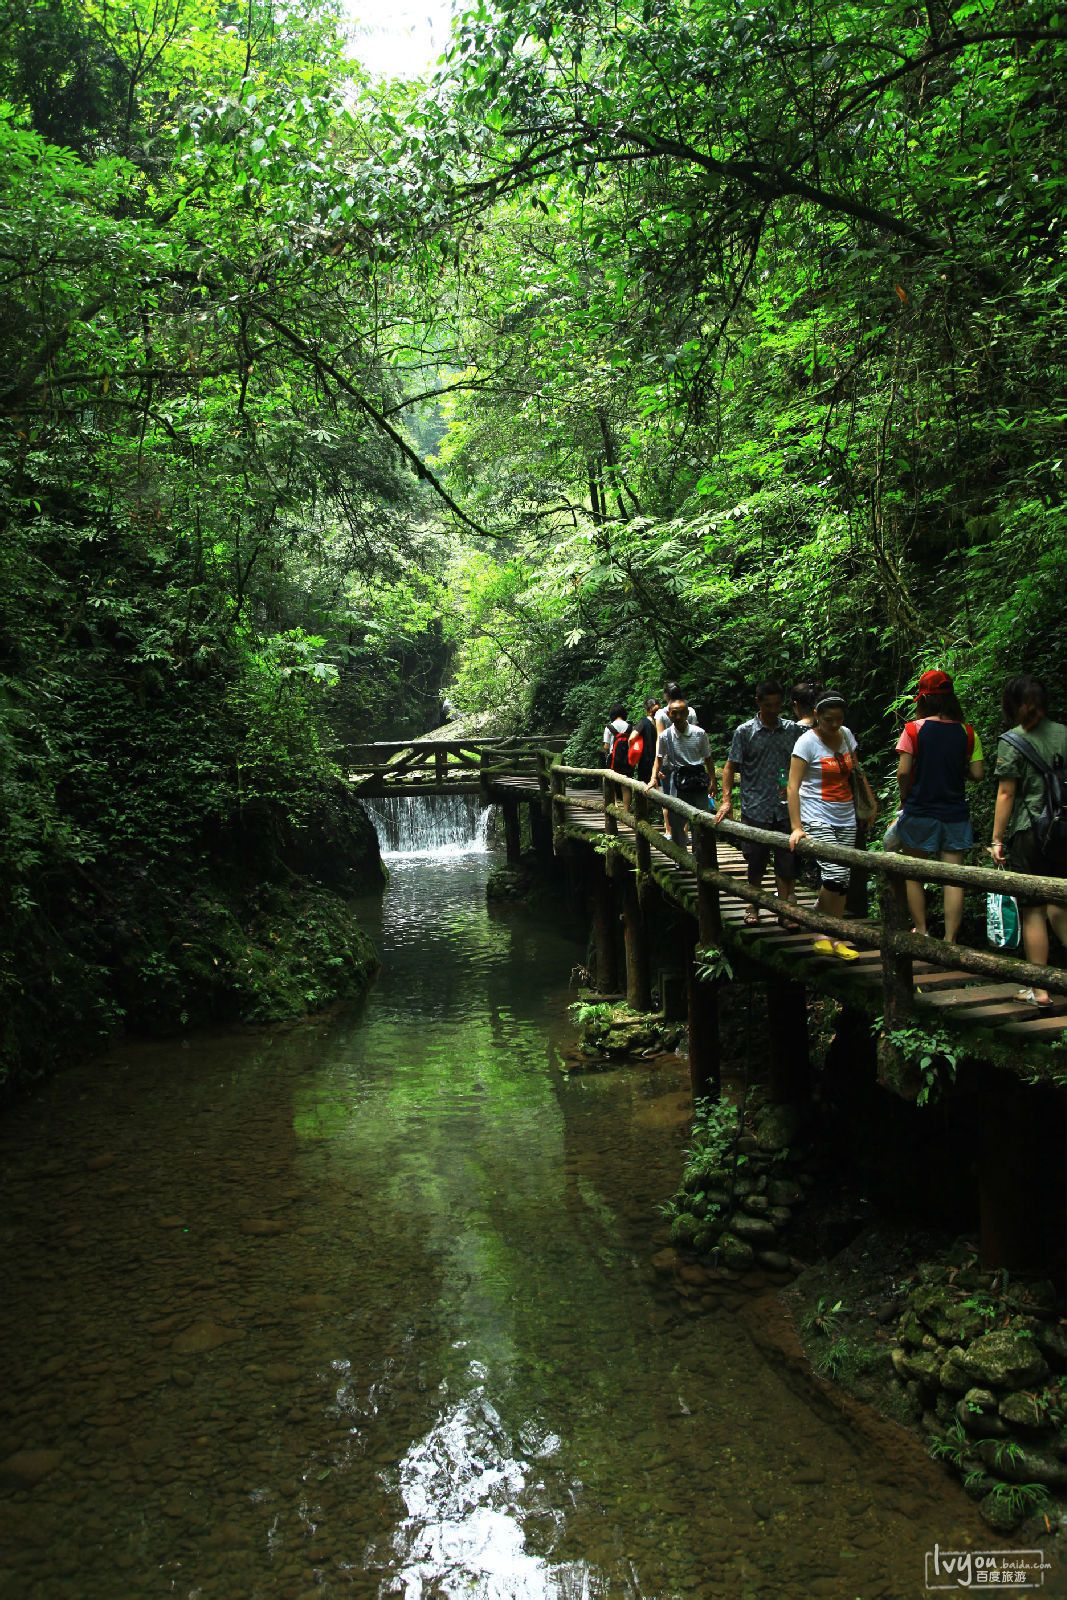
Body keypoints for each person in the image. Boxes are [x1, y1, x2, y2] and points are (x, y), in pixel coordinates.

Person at [992, 674, 1067, 1005]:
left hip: (1031, 833)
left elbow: (1007, 793)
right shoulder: (1064, 733)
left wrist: (996, 839)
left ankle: (1040, 989)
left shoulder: (1012, 741)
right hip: (1064, 832)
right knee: (1061, 905)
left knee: (1034, 910)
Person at [894, 669, 984, 943]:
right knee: (952, 877)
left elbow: (903, 772)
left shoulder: (913, 730)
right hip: (955, 812)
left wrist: (904, 796)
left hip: (920, 810)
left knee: (914, 872)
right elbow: (978, 774)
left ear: (923, 699)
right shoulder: (966, 732)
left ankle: (921, 930)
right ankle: (950, 939)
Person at [788, 691, 878, 959]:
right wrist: (796, 826)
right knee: (835, 874)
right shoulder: (806, 744)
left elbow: (857, 771)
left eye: (839, 719)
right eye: (829, 720)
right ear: (816, 715)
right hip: (816, 814)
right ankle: (825, 931)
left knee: (843, 878)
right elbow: (792, 787)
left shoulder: (847, 735)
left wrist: (870, 803)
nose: (835, 725)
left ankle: (829, 930)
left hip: (845, 813)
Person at [716, 680, 799, 925]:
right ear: (758, 703)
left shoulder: (793, 730)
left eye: (777, 704)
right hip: (756, 806)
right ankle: (753, 905)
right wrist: (726, 800)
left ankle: (785, 911)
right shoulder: (745, 732)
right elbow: (730, 767)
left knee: (787, 863)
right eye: (767, 705)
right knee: (756, 862)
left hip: (785, 808)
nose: (773, 710)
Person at [649, 699, 715, 849]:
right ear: (669, 714)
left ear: (687, 713)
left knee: (702, 820)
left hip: (698, 781)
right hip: (678, 782)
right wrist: (653, 778)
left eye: (681, 713)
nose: (678, 716)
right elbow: (658, 759)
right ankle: (681, 856)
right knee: (676, 822)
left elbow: (708, 759)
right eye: (674, 713)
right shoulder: (665, 736)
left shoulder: (699, 733)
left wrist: (713, 780)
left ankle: (701, 857)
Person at [629, 697, 660, 786]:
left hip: (645, 761)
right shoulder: (660, 723)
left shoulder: (643, 722)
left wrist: (633, 753)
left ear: (648, 709)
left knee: (644, 788)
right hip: (658, 760)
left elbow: (631, 738)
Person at [602, 704, 631, 768]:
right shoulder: (629, 727)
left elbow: (606, 747)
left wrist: (606, 759)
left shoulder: (609, 727)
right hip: (627, 761)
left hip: (613, 761)